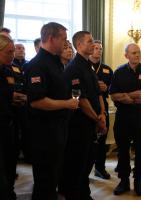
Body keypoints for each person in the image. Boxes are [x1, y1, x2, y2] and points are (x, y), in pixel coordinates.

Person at [25, 22, 79, 200]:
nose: (66, 43)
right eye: (63, 39)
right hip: (44, 132)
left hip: (58, 128)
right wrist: (66, 104)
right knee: (45, 179)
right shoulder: (38, 65)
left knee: (53, 176)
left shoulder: (56, 63)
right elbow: (37, 102)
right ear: (50, 38)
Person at [59, 31, 106, 200]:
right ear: (79, 45)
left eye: (93, 41)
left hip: (92, 122)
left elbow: (98, 93)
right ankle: (74, 194)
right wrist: (97, 119)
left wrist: (102, 114)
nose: (93, 44)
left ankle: (84, 193)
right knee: (77, 164)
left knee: (87, 163)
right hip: (79, 125)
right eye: (89, 41)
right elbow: (81, 99)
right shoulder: (74, 68)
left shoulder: (88, 66)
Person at [110, 43, 141, 196]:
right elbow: (113, 95)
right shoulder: (119, 72)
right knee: (123, 151)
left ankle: (138, 182)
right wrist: (133, 94)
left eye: (139, 52)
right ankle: (123, 181)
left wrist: (129, 98)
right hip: (123, 118)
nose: (137, 55)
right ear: (126, 55)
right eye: (134, 53)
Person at [89, 40, 113, 180]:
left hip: (103, 106)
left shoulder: (107, 69)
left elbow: (114, 88)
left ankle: (100, 168)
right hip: (87, 106)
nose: (98, 50)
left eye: (100, 48)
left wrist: (107, 88)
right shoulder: (84, 66)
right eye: (96, 48)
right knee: (88, 140)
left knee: (102, 139)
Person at [0, 34, 18, 200]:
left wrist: (15, 97)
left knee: (10, 162)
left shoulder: (7, 69)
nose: (12, 55)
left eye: (13, 51)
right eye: (8, 52)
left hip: (8, 122)